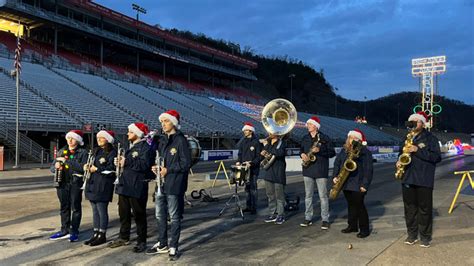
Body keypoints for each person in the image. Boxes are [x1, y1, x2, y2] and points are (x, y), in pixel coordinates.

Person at [146, 110, 191, 261]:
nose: (163, 124)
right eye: (162, 122)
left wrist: (168, 170)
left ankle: (174, 246)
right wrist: (156, 168)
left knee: (174, 216)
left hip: (174, 184)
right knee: (160, 215)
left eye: (166, 121)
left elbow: (186, 163)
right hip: (162, 184)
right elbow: (160, 159)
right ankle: (162, 243)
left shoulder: (181, 140)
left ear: (174, 123)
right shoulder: (162, 140)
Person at [398, 111, 441, 248]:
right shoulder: (406, 137)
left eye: (417, 121)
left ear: (423, 123)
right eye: (413, 120)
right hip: (408, 178)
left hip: (424, 178)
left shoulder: (431, 138)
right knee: (409, 209)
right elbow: (401, 153)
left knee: (424, 209)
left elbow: (436, 157)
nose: (414, 123)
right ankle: (411, 235)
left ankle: (425, 237)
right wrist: (399, 161)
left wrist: (417, 149)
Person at [108, 122, 153, 253]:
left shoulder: (145, 147)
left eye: (130, 131)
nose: (128, 134)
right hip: (125, 184)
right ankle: (124, 236)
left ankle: (142, 240)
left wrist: (127, 161)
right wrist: (118, 162)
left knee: (139, 214)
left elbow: (144, 165)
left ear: (138, 133)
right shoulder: (131, 147)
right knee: (124, 213)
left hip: (137, 185)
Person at [333, 129, 373, 238]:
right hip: (346, 182)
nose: (352, 140)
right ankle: (352, 226)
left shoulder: (365, 152)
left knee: (359, 206)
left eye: (355, 138)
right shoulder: (344, 150)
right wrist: (335, 176)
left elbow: (368, 170)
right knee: (351, 205)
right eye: (351, 138)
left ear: (360, 141)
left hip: (358, 183)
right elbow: (337, 163)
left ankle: (364, 229)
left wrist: (365, 185)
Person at [49, 130, 88, 242]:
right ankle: (64, 229)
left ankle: (74, 231)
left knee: (75, 207)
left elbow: (82, 168)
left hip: (75, 182)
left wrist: (66, 162)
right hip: (62, 183)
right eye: (68, 138)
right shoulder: (62, 151)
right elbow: (52, 168)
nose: (70, 141)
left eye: (73, 138)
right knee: (64, 207)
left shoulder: (83, 153)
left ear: (78, 140)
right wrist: (56, 166)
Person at [300, 116, 335, 229]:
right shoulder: (305, 138)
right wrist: (302, 154)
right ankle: (308, 218)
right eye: (308, 124)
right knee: (308, 196)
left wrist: (320, 151)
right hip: (307, 170)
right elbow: (301, 150)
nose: (308, 126)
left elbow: (332, 153)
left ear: (315, 126)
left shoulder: (324, 138)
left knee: (323, 197)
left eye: (310, 124)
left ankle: (325, 219)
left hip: (320, 170)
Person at [83, 130, 117, 246]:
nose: (99, 139)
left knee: (102, 210)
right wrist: (88, 166)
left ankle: (102, 234)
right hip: (92, 183)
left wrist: (97, 169)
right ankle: (96, 233)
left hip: (103, 185)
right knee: (95, 211)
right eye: (98, 137)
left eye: (102, 138)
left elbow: (112, 169)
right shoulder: (96, 151)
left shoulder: (113, 152)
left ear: (108, 140)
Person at [236, 122, 262, 214]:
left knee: (253, 188)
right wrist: (239, 161)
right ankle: (248, 206)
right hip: (244, 168)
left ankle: (254, 207)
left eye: (246, 130)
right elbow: (240, 153)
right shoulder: (243, 141)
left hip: (253, 169)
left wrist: (252, 163)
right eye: (244, 130)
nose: (244, 132)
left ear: (251, 131)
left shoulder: (256, 142)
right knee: (247, 188)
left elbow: (259, 156)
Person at [261, 134, 287, 225]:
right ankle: (272, 213)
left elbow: (280, 153)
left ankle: (280, 214)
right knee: (270, 195)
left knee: (279, 196)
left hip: (278, 173)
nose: (269, 134)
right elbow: (264, 156)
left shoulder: (282, 143)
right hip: (269, 173)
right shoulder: (268, 144)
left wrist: (266, 147)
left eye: (271, 132)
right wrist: (263, 152)